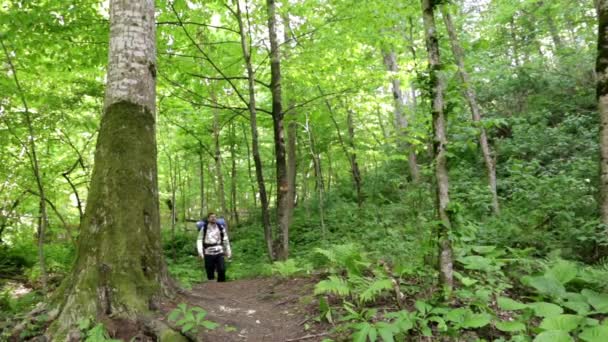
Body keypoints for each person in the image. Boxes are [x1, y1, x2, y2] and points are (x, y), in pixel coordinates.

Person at [196, 212, 232, 282]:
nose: (213, 218)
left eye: (215, 217)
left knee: (222, 269)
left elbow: (225, 239)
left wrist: (228, 251)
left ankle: (221, 285)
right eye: (211, 217)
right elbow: (199, 240)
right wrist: (200, 252)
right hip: (208, 252)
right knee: (210, 271)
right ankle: (212, 287)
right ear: (208, 219)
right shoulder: (204, 228)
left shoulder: (220, 227)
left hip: (219, 251)